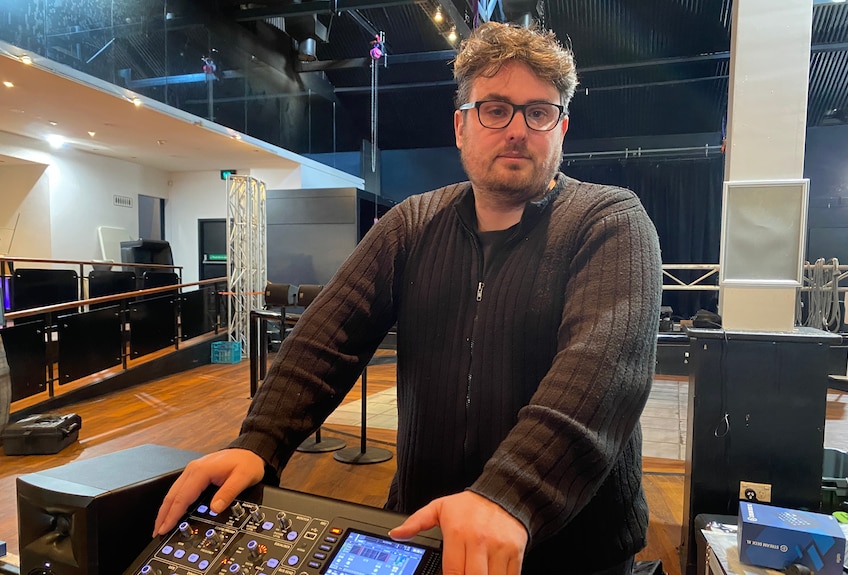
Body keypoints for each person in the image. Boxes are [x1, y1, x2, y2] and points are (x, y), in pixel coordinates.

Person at [154, 21, 662, 575]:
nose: (517, 129)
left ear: (560, 127)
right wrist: (258, 442)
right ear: (461, 126)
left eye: (537, 112)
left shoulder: (611, 220)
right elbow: (324, 340)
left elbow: (601, 371)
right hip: (427, 534)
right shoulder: (412, 223)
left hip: (575, 548)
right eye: (494, 108)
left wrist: (511, 493)